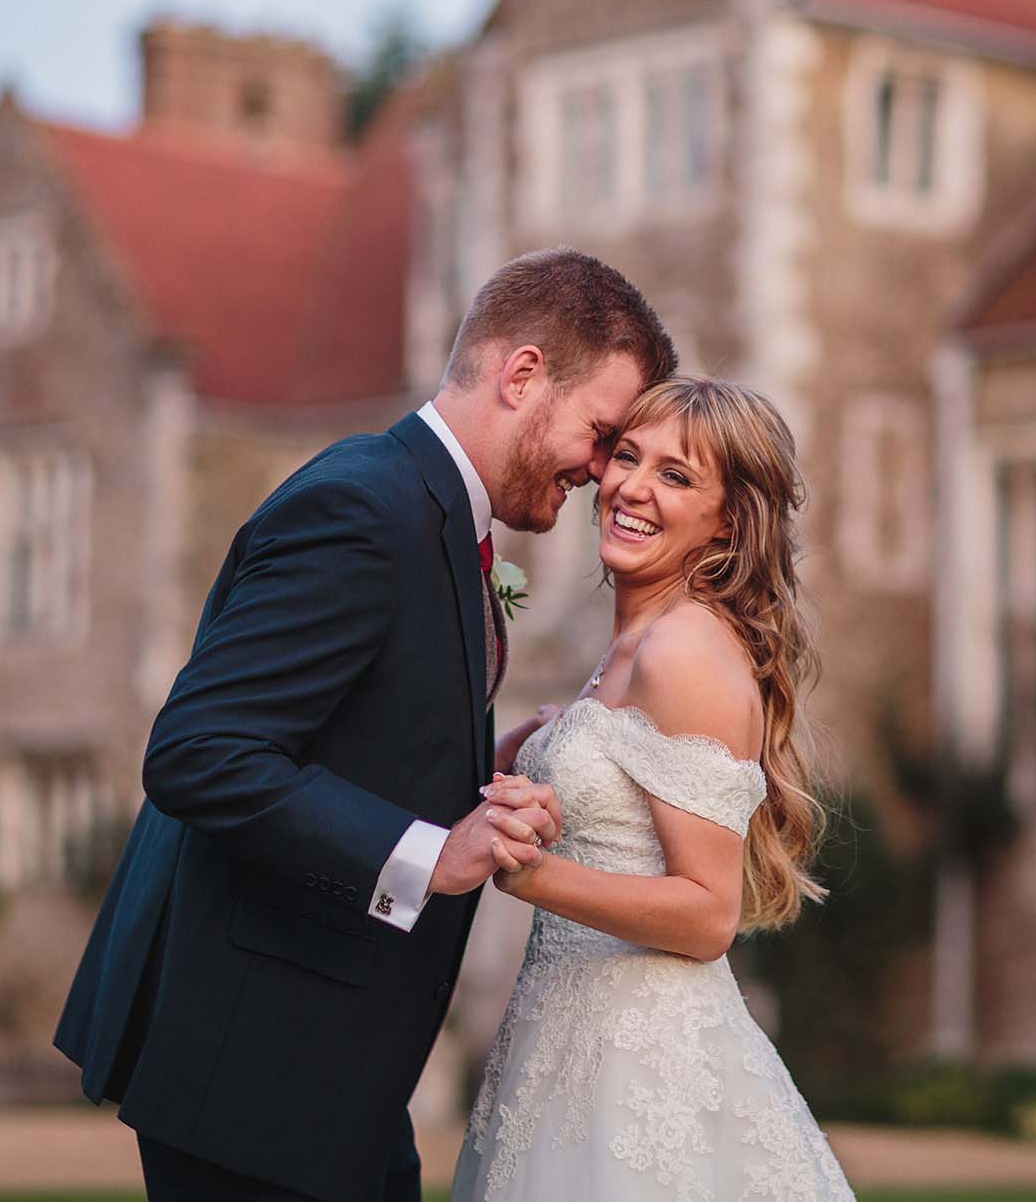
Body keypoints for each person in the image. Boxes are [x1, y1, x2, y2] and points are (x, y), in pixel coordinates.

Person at [53, 248, 677, 1202]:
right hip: (250, 1073)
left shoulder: (429, 513)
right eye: (600, 434)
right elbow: (198, 750)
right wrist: (434, 850)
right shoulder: (364, 507)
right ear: (521, 378)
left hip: (327, 1070)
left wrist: (483, 765)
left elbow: (343, 728)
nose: (601, 473)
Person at [451, 376, 855, 1201]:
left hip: (641, 1065)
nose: (633, 486)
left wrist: (532, 872)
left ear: (729, 520)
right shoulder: (633, 646)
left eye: (676, 475)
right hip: (563, 1038)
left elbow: (709, 913)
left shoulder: (685, 650)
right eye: (628, 457)